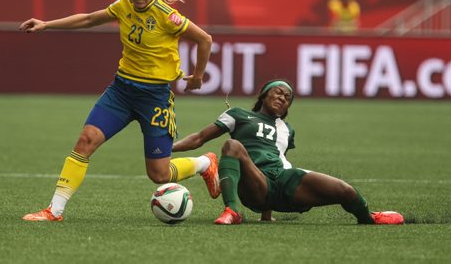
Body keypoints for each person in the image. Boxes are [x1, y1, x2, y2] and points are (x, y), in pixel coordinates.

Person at [19, 0, 219, 221]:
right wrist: (46, 24)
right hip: (121, 91)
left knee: (158, 174)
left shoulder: (167, 16)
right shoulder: (123, 6)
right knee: (85, 142)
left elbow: (204, 39)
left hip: (154, 98)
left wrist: (198, 77)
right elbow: (89, 19)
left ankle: (205, 163)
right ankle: (54, 211)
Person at [172, 79, 405, 225]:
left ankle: (369, 218)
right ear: (264, 95)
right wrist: (167, 148)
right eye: (279, 92)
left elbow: (281, 159)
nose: (283, 98)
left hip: (283, 180)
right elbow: (199, 138)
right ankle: (233, 210)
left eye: (288, 98)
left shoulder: (287, 130)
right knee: (232, 147)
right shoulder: (238, 114)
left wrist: (266, 214)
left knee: (344, 190)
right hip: (255, 183)